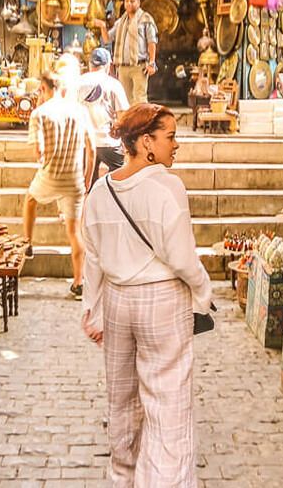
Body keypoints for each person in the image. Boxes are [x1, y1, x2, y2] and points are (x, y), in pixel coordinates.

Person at [79, 103, 211, 488]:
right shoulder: (168, 187)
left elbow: (93, 258)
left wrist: (92, 309)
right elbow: (183, 259)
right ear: (146, 142)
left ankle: (124, 477)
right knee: (168, 404)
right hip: (163, 301)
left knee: (122, 401)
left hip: (117, 303)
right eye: (170, 136)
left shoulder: (100, 190)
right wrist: (203, 292)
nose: (177, 144)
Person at [22, 71, 97, 298]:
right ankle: (78, 282)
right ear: (61, 89)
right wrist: (87, 179)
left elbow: (39, 151)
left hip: (50, 176)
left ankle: (28, 243)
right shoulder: (80, 110)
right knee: (74, 232)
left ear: (42, 89)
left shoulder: (39, 113)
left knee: (31, 199)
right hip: (74, 179)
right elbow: (92, 150)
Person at [77, 47, 130, 185]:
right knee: (120, 178)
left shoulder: (78, 82)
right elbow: (123, 116)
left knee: (88, 181)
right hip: (109, 142)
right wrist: (125, 142)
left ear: (90, 65)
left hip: (84, 143)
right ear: (107, 66)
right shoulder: (114, 84)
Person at [109, 0, 159, 106]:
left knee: (140, 100)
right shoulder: (121, 21)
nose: (129, 4)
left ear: (139, 2)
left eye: (132, 1)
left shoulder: (146, 19)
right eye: (127, 1)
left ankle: (141, 119)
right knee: (124, 100)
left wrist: (152, 62)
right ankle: (128, 119)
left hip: (139, 67)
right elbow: (108, 38)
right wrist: (102, 26)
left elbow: (152, 42)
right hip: (123, 67)